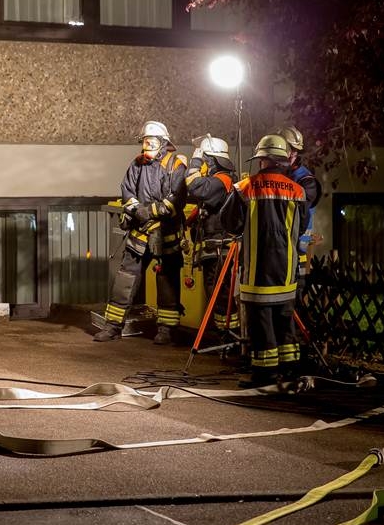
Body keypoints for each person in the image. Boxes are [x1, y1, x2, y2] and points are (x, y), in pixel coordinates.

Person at [221, 134, 308, 388]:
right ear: (282, 160)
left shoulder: (245, 187)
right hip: (287, 270)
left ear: (263, 160)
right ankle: (290, 371)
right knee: (285, 321)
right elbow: (301, 227)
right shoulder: (298, 191)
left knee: (261, 324)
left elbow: (229, 222)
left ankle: (265, 374)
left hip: (257, 271)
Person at [95, 121, 187, 345]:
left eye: (151, 142)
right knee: (125, 279)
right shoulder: (137, 164)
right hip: (140, 233)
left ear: (163, 143)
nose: (146, 147)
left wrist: (149, 212)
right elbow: (127, 191)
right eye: (145, 142)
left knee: (167, 281)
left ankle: (166, 329)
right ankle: (113, 326)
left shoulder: (176, 166)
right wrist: (137, 210)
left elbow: (176, 200)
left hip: (166, 234)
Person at [185, 135, 239, 332]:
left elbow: (195, 187)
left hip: (219, 249)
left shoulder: (222, 180)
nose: (202, 165)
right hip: (214, 248)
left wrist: (195, 161)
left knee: (219, 291)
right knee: (217, 290)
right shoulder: (219, 181)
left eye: (204, 160)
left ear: (211, 160)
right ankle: (223, 331)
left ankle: (227, 333)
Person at [278, 125, 323, 301]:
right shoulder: (283, 175)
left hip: (297, 252)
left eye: (295, 150)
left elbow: (298, 210)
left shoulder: (306, 180)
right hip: (281, 249)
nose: (291, 154)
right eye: (289, 149)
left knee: (294, 300)